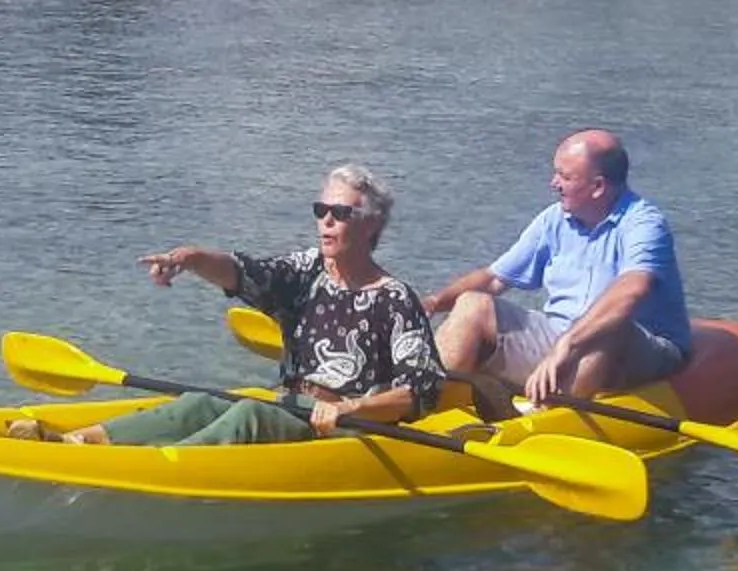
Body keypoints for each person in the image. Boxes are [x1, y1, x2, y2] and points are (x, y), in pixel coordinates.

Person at [38, 164, 446, 446]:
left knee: (249, 414)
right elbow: (242, 273)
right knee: (204, 402)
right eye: (321, 210)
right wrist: (190, 259)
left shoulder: (395, 299)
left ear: (371, 224)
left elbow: (420, 392)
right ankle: (81, 440)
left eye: (340, 213)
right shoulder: (307, 271)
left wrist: (349, 407)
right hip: (293, 403)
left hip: (348, 425)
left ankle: (160, 465)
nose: (326, 221)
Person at [427, 128, 691, 406]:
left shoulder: (644, 223)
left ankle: (553, 414)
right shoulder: (553, 220)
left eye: (565, 177)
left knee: (609, 326)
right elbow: (494, 279)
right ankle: (429, 403)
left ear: (598, 186)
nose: (554, 183)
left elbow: (631, 290)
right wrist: (433, 302)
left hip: (641, 347)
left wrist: (569, 344)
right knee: (473, 304)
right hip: (563, 336)